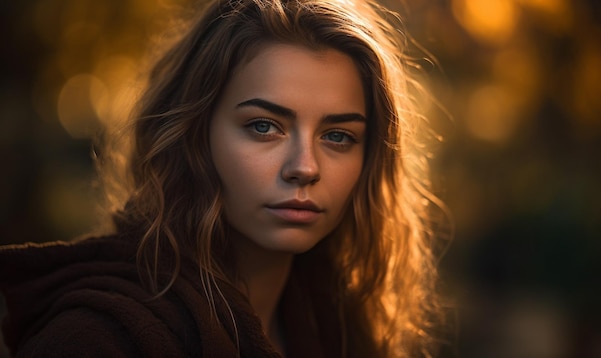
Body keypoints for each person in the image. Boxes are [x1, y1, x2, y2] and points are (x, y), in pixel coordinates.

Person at [0, 0, 447, 357]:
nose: (305, 167)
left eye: (337, 136)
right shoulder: (95, 339)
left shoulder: (341, 328)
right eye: (263, 126)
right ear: (194, 134)